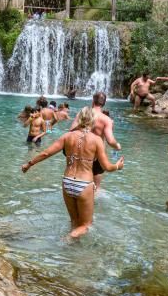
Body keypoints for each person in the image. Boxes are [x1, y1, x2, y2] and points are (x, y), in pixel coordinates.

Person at [21, 107, 124, 238]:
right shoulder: (96, 140)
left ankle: (71, 252)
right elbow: (107, 167)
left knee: (74, 222)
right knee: (86, 225)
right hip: (84, 184)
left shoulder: (67, 136)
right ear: (93, 120)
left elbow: (46, 153)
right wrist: (117, 166)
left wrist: (29, 164)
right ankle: (67, 239)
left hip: (67, 182)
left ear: (79, 119)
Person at [90, 93, 121, 189]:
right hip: (97, 152)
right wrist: (117, 146)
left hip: (82, 150)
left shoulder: (83, 114)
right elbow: (110, 141)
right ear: (104, 103)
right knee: (96, 187)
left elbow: (71, 131)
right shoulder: (106, 119)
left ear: (93, 101)